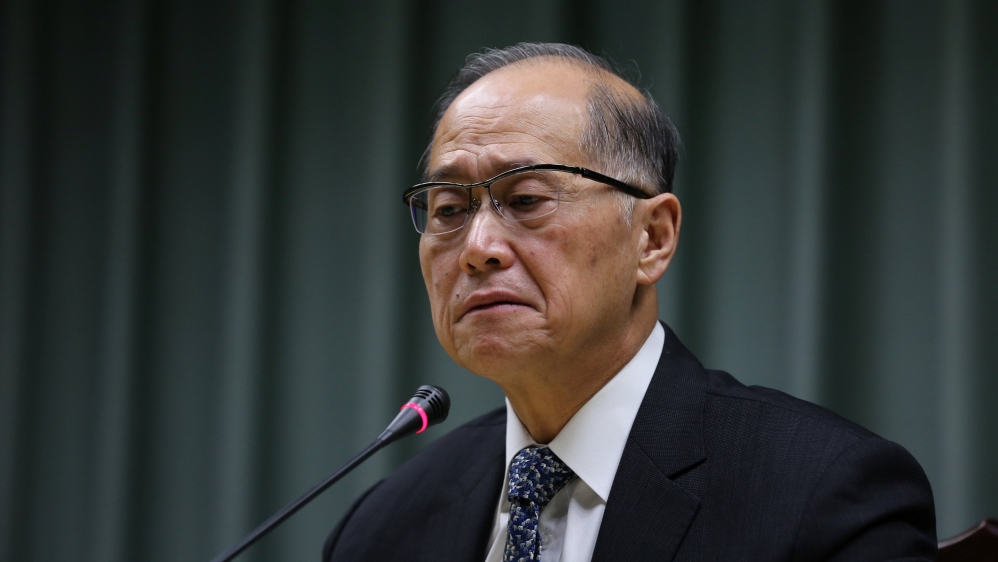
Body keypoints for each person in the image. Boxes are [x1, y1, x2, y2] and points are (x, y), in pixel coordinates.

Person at [323, 43, 936, 562]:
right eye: (450, 210)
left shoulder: (823, 493)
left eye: (528, 198)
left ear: (652, 239)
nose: (478, 248)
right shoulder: (381, 530)